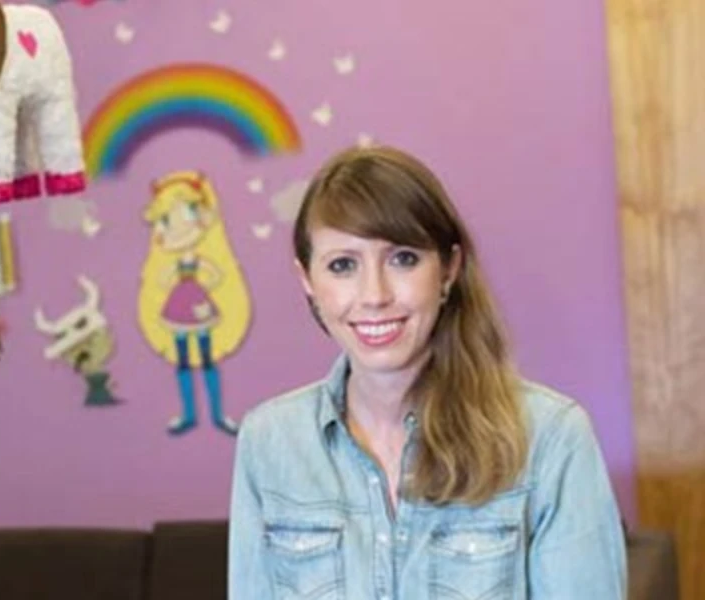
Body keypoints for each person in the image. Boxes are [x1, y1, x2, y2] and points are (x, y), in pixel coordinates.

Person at [228, 145, 627, 599]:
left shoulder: (550, 436)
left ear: (449, 269)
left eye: (402, 259)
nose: (374, 294)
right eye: (343, 265)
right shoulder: (269, 441)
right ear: (308, 282)